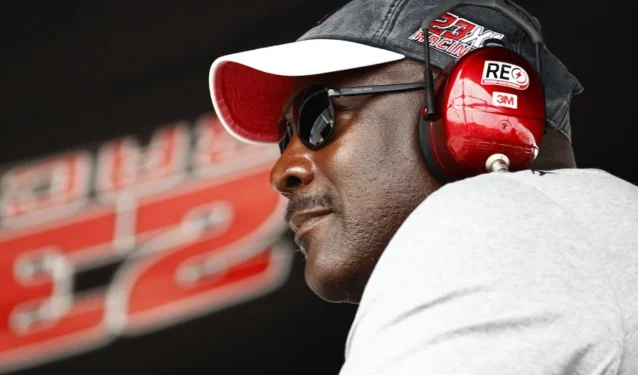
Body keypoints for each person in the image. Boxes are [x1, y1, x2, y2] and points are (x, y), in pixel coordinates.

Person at [208, 0, 637, 373]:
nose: (283, 172)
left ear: (478, 105)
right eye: (286, 138)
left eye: (318, 116)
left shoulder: (495, 222)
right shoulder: (575, 231)